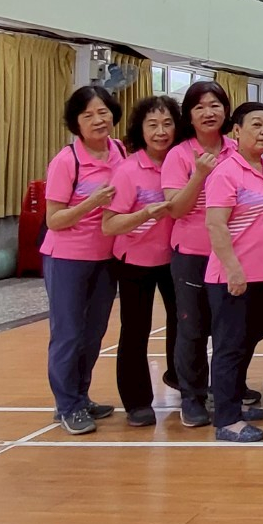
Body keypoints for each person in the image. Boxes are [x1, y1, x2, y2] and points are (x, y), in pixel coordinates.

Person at [41, 85, 125, 435]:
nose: (97, 120)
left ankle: (80, 395)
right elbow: (54, 219)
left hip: (106, 258)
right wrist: (91, 203)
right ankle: (67, 406)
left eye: (103, 112)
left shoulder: (120, 151)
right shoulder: (67, 161)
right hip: (68, 259)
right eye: (88, 115)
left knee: (93, 334)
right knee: (68, 333)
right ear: (76, 122)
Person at [204, 103, 263, 442]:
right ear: (236, 131)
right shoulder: (226, 172)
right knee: (229, 347)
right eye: (256, 125)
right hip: (233, 277)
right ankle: (226, 420)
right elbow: (215, 224)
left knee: (246, 343)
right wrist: (234, 270)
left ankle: (234, 402)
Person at [163, 80, 239, 429]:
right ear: (189, 116)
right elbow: (176, 209)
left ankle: (227, 393)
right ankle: (191, 396)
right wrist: (199, 175)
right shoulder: (179, 155)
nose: (209, 113)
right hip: (193, 253)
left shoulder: (237, 149)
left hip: (231, 254)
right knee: (192, 328)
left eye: (215, 105)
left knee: (230, 329)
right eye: (200, 107)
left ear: (226, 110)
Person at [102, 94, 180, 428]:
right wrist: (145, 213)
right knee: (136, 330)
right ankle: (137, 402)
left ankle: (181, 379)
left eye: (167, 124)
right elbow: (109, 225)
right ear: (140, 129)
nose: (161, 132)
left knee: (185, 324)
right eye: (153, 125)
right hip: (134, 261)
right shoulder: (128, 170)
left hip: (175, 259)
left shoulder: (183, 162)